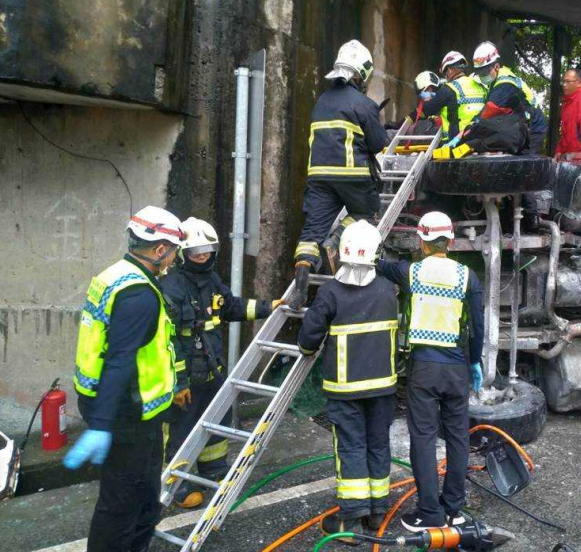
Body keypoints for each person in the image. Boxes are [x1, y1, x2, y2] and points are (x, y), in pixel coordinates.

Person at [64, 206, 185, 552]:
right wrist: (102, 425)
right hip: (128, 416)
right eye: (173, 251)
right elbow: (119, 360)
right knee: (122, 509)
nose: (173, 259)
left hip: (117, 407)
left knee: (144, 504)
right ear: (160, 250)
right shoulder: (140, 296)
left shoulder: (113, 276)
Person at [375, 212, 484, 532]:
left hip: (424, 367)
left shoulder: (411, 272)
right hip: (456, 367)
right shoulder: (468, 277)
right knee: (457, 437)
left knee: (423, 438)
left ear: (422, 243)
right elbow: (476, 326)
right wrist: (474, 361)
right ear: (450, 242)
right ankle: (454, 510)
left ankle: (428, 513)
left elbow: (380, 266)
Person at [160, 217, 274, 508]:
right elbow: (169, 342)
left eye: (208, 249)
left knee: (216, 422)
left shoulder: (211, 279)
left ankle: (214, 470)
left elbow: (232, 307)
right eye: (197, 251)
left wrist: (268, 308)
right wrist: (179, 384)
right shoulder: (171, 286)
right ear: (184, 252)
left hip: (213, 370)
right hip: (187, 378)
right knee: (181, 431)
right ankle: (177, 486)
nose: (203, 255)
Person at [297, 220, 399, 542]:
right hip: (383, 388)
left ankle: (351, 521)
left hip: (345, 391)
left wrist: (307, 348)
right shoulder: (388, 291)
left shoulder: (330, 293)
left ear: (340, 254)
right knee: (378, 443)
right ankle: (377, 511)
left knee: (352, 448)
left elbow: (308, 339)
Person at [288, 39, 388, 310]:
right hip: (353, 176)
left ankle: (299, 288)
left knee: (310, 233)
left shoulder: (321, 101)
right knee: (365, 212)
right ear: (362, 72)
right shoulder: (363, 103)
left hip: (319, 177)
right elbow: (379, 144)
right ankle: (336, 239)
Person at [443, 41, 547, 160]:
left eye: (485, 72)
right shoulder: (495, 81)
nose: (482, 76)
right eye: (480, 72)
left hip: (533, 130)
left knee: (525, 166)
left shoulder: (504, 84)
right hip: (521, 127)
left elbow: (484, 115)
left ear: (496, 66)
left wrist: (460, 137)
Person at [428, 51, 489, 157]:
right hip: (480, 141)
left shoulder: (449, 88)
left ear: (450, 70)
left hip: (455, 145)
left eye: (445, 73)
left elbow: (428, 109)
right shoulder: (482, 86)